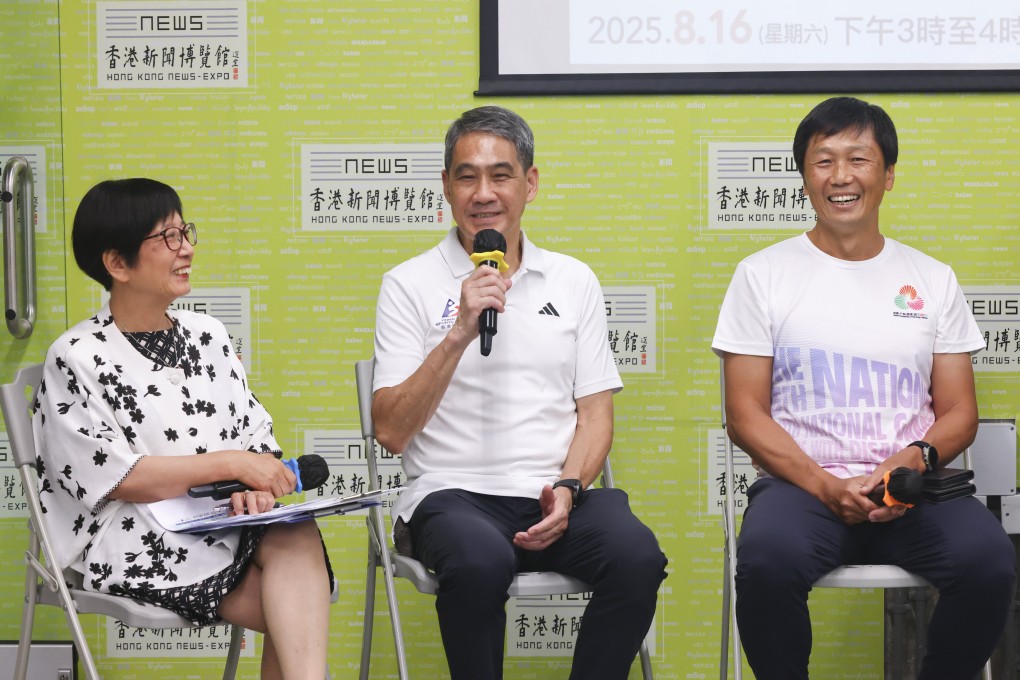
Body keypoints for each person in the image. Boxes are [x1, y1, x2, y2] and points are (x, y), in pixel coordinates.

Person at [712, 96, 1016, 679]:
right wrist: (826, 487)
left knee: (988, 561)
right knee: (766, 562)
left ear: (888, 175)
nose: (841, 176)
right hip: (801, 488)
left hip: (912, 486)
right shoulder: (762, 275)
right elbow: (745, 415)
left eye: (859, 159)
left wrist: (912, 460)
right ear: (804, 178)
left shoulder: (932, 278)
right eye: (823, 161)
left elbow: (958, 413)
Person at [371, 105, 667, 679]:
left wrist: (569, 488)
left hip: (552, 495)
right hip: (451, 496)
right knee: (478, 563)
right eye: (466, 176)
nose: (483, 193)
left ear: (529, 184)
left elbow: (596, 415)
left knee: (637, 556)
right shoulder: (407, 283)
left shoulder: (573, 280)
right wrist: (458, 331)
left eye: (500, 175)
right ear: (446, 187)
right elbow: (389, 431)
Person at [33, 178, 332, 680]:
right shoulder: (76, 355)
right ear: (118, 264)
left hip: (223, 520)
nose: (187, 248)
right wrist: (232, 465)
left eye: (184, 232)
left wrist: (254, 486)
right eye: (167, 238)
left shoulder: (207, 334)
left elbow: (253, 433)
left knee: (292, 528)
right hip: (136, 534)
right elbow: (114, 477)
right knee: (299, 608)